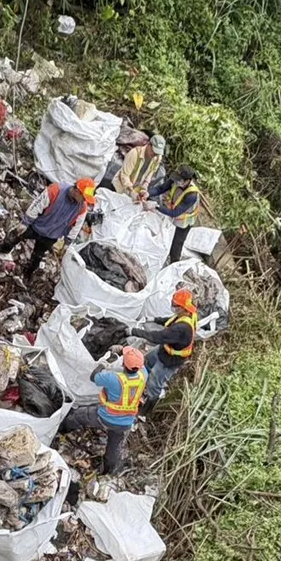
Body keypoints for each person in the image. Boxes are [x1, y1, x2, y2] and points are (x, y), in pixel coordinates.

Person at [59, 347, 147, 474]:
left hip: (106, 417)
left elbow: (94, 377)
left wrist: (103, 364)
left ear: (123, 364)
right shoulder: (144, 376)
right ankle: (108, 470)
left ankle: (62, 430)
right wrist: (125, 351)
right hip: (126, 423)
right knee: (114, 448)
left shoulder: (114, 379)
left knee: (78, 415)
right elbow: (140, 364)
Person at [0, 178, 96, 279]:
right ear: (77, 191)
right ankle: (2, 251)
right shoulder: (56, 190)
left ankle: (27, 274)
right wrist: (25, 223)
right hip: (36, 226)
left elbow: (76, 226)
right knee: (15, 236)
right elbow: (37, 205)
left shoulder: (82, 207)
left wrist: (67, 243)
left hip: (51, 235)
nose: (84, 201)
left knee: (37, 257)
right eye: (83, 197)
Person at [129, 289, 198, 419]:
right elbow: (171, 320)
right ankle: (142, 383)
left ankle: (145, 410)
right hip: (164, 350)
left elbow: (156, 337)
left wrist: (133, 331)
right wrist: (154, 319)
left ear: (183, 308)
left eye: (175, 304)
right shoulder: (188, 315)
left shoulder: (181, 329)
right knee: (147, 361)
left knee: (154, 384)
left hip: (169, 361)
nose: (172, 305)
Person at [144, 166, 200, 264]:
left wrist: (156, 206)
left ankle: (174, 265)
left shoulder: (192, 195)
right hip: (172, 211)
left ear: (187, 181)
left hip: (184, 220)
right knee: (163, 237)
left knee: (176, 245)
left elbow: (175, 213)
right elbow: (161, 188)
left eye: (180, 180)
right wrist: (148, 194)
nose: (176, 182)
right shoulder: (175, 180)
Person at [106, 134, 166, 199]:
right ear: (148, 144)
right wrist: (131, 191)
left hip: (135, 189)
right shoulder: (134, 153)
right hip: (120, 188)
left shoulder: (157, 158)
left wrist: (144, 188)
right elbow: (124, 175)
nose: (154, 154)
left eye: (157, 153)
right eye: (153, 151)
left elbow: (150, 174)